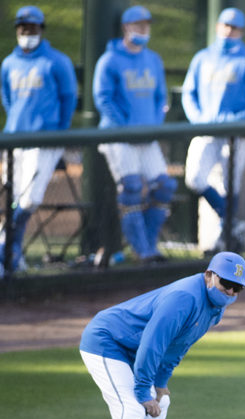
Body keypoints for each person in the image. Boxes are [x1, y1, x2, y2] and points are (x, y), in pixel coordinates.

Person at [80, 251, 245, 419]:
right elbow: (153, 342)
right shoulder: (185, 297)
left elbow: (178, 345)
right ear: (208, 276)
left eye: (236, 288)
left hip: (131, 349)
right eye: (225, 284)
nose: (229, 291)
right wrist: (142, 390)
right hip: (106, 342)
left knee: (162, 401)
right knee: (132, 409)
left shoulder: (215, 308)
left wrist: (160, 383)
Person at [182, 7, 245, 251]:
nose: (229, 31)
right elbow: (189, 93)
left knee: (229, 185)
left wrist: (240, 119)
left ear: (241, 31)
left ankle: (223, 238)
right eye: (226, 26)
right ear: (217, 27)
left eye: (235, 28)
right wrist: (198, 118)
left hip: (237, 134)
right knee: (194, 178)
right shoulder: (202, 57)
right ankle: (230, 221)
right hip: (206, 129)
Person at [93, 5, 175, 263]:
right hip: (118, 136)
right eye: (137, 25)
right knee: (131, 188)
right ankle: (143, 251)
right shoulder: (109, 60)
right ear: (126, 27)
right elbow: (102, 98)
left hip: (146, 136)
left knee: (165, 185)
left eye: (146, 25)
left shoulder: (153, 59)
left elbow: (161, 96)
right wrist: (125, 126)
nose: (142, 30)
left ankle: (149, 247)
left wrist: (154, 123)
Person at [0, 5, 76, 275]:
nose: (26, 32)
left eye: (31, 27)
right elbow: (7, 98)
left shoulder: (56, 61)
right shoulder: (8, 63)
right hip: (14, 139)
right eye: (22, 27)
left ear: (41, 30)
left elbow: (68, 98)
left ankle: (5, 248)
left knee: (29, 200)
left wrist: (58, 130)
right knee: (13, 197)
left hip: (45, 139)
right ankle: (13, 255)